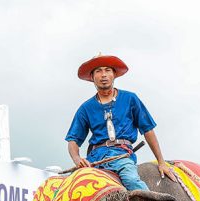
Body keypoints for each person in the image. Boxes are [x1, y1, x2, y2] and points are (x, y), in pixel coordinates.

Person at [65, 53, 173, 191]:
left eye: (107, 70)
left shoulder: (130, 98)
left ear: (114, 74)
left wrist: (161, 162)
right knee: (71, 188)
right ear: (92, 77)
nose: (103, 75)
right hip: (94, 160)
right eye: (98, 71)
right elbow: (73, 140)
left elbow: (148, 130)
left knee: (131, 181)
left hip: (121, 156)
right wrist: (77, 159)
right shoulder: (86, 108)